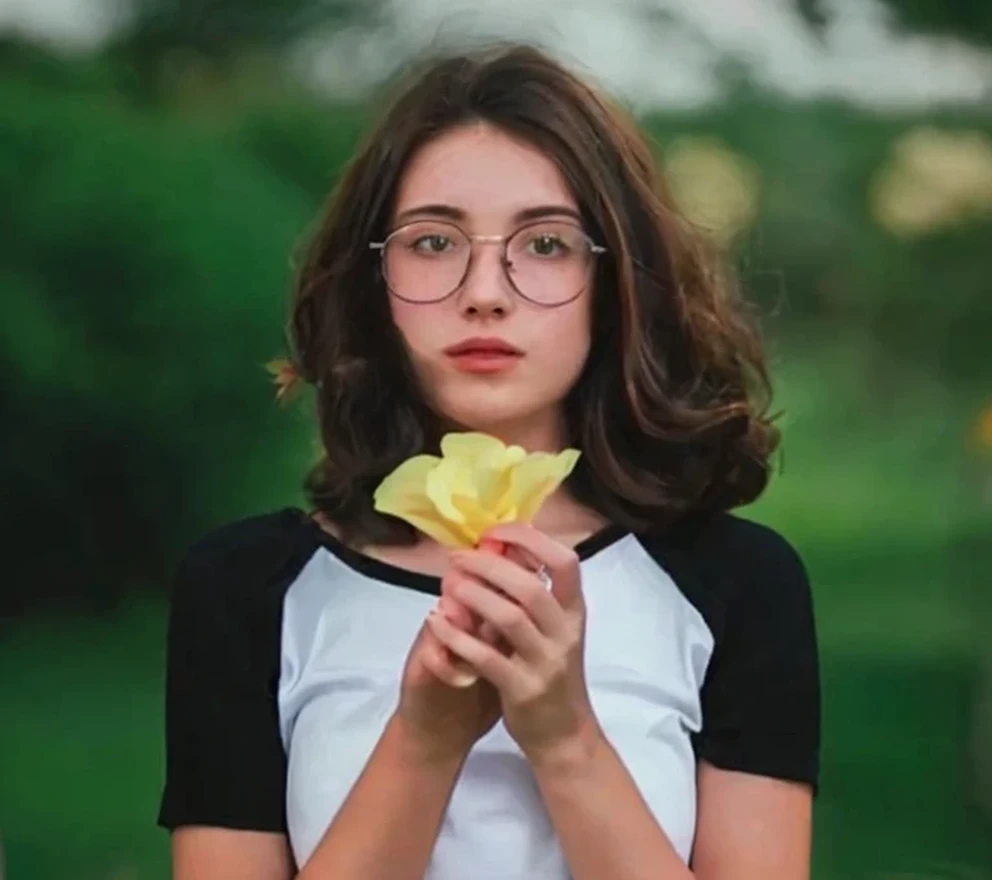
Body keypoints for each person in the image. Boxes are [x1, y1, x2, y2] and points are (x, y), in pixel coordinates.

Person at [157, 42, 820, 880]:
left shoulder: (739, 583)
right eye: (433, 242)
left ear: (615, 283)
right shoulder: (244, 588)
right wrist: (424, 741)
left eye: (544, 245)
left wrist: (564, 736)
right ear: (374, 280)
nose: (485, 289)